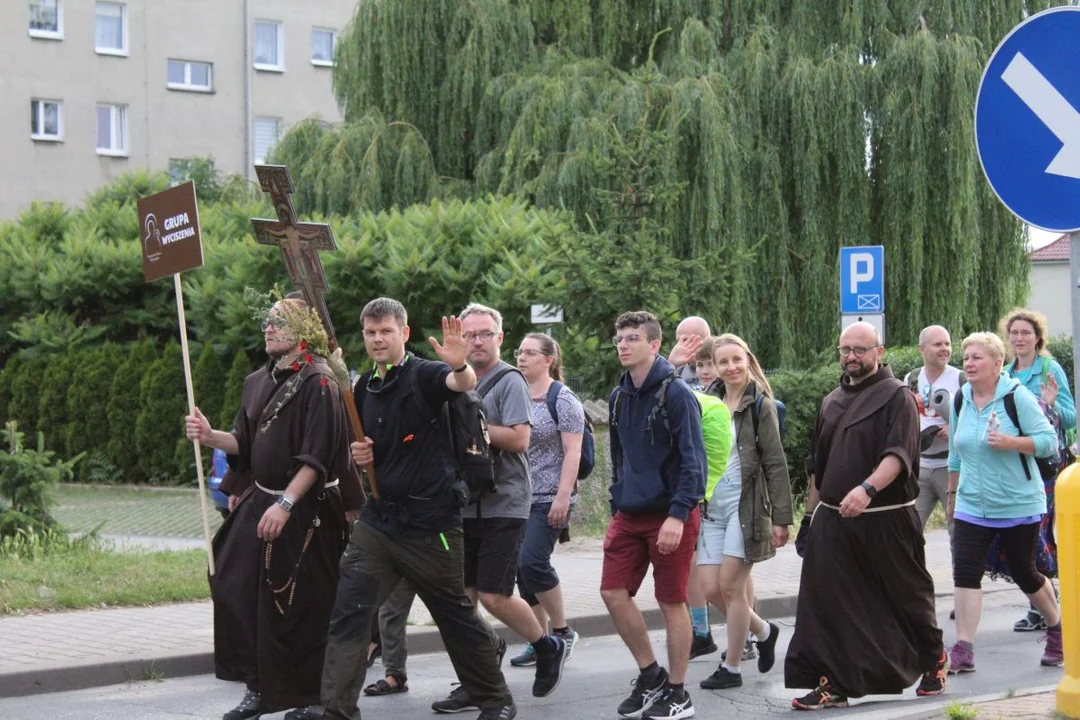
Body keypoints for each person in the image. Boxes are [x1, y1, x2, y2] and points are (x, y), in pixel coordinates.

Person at [295, 298, 517, 720]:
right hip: (380, 523)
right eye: (371, 332)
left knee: (455, 617)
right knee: (350, 612)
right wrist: (364, 454)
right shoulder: (364, 387)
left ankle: (495, 700)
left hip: (431, 526)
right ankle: (336, 710)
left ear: (404, 334)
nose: (378, 339)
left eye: (386, 332)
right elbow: (379, 444)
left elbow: (462, 384)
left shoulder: (427, 375)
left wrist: (457, 365)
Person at [184, 296, 358, 720]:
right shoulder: (256, 380)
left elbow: (316, 457)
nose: (269, 328)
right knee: (231, 582)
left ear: (303, 333)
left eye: (280, 323)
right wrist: (210, 436)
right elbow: (244, 442)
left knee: (298, 603)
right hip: (263, 498)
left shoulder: (320, 382)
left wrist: (285, 503)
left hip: (305, 505)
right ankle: (258, 686)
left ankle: (313, 695)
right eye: (268, 321)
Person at [785, 321, 947, 710]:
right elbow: (818, 468)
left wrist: (867, 489)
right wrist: (809, 517)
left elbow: (898, 455)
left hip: (886, 519)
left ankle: (934, 658)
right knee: (829, 601)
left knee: (905, 597)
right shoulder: (830, 401)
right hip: (834, 519)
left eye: (860, 349)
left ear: (880, 351)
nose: (852, 357)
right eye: (846, 350)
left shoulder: (897, 397)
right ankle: (835, 683)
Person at [427, 303, 567, 714]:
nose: (477, 341)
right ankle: (476, 679)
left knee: (493, 594)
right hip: (463, 504)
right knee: (463, 599)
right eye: (469, 334)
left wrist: (474, 431)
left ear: (500, 337)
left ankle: (547, 644)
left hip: (505, 502)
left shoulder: (510, 380)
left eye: (485, 333)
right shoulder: (452, 380)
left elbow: (521, 439)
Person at [603, 311, 707, 720]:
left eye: (632, 338)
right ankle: (651, 676)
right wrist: (617, 500)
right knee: (612, 593)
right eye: (619, 339)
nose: (623, 345)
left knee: (670, 602)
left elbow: (693, 462)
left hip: (671, 515)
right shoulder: (618, 395)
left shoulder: (677, 394)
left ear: (654, 344)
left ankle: (679, 694)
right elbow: (618, 457)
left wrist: (678, 515)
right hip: (629, 513)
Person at [945, 332, 1062, 672]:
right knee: (965, 573)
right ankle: (964, 648)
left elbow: (1048, 442)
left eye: (977, 357)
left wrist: (1011, 442)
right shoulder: (961, 398)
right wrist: (952, 496)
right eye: (966, 357)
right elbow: (955, 454)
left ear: (997, 364)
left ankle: (1057, 628)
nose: (968, 363)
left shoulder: (1017, 396)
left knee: (1026, 573)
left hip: (1017, 503)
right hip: (971, 504)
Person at [697, 334, 792, 690]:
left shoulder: (760, 405)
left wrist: (782, 518)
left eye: (737, 360)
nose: (731, 367)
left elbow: (775, 463)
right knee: (709, 589)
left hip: (746, 509)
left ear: (748, 359)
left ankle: (732, 667)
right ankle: (765, 632)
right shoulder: (709, 402)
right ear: (715, 367)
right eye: (723, 362)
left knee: (731, 589)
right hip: (712, 509)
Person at [508, 332, 583, 667]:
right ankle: (539, 641)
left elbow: (573, 451)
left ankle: (563, 630)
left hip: (549, 497)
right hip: (516, 497)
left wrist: (563, 497)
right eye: (519, 352)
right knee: (520, 573)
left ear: (549, 359)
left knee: (532, 562)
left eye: (530, 353)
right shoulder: (517, 393)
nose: (521, 358)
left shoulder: (562, 399)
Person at [1001, 308, 1076, 633]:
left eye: (1025, 333)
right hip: (1013, 465)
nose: (1019, 338)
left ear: (1037, 337)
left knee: (1038, 535)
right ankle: (1049, 603)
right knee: (1022, 537)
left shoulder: (1049, 368)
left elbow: (1070, 418)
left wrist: (1050, 403)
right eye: (1014, 333)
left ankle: (1043, 609)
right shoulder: (1004, 372)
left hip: (1044, 466)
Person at [903, 326, 964, 541]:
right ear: (922, 349)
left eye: (947, 344)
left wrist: (954, 427)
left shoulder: (961, 379)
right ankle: (911, 575)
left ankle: (961, 576)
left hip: (951, 467)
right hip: (920, 466)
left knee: (958, 532)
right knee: (908, 532)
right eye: (938, 344)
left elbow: (977, 417)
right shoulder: (911, 378)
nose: (945, 349)